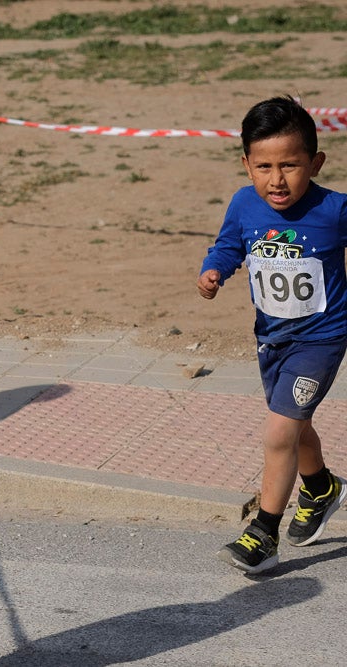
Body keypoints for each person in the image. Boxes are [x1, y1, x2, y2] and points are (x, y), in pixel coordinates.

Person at [198, 95, 347, 575]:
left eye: (290, 165)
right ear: (245, 164)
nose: (276, 179)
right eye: (263, 166)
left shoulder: (335, 210)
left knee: (280, 429)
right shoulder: (244, 204)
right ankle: (321, 487)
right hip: (272, 340)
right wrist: (214, 271)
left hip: (322, 339)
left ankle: (264, 531)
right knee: (296, 425)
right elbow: (228, 245)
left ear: (315, 162)